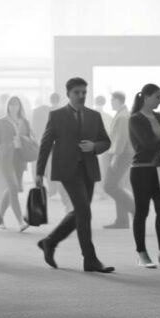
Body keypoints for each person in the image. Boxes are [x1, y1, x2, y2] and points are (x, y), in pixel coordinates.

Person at [35, 77, 113, 273]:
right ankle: (90, 259)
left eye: (84, 93)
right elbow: (45, 146)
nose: (81, 96)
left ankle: (49, 241)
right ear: (68, 93)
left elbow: (106, 141)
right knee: (84, 211)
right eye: (77, 92)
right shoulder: (57, 116)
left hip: (88, 169)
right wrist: (38, 172)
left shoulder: (94, 116)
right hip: (67, 170)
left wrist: (95, 146)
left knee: (80, 211)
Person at [127, 84, 160, 268]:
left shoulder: (158, 116)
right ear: (146, 97)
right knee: (142, 212)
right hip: (141, 170)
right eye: (157, 96)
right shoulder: (135, 119)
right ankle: (141, 253)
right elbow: (147, 144)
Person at [0, 96, 33, 232]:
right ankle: (21, 221)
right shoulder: (0, 122)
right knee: (13, 187)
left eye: (16, 105)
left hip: (20, 158)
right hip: (5, 158)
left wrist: (22, 139)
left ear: (20, 107)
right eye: (11, 104)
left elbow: (31, 138)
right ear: (7, 106)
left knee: (13, 189)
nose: (13, 107)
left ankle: (0, 218)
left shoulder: (24, 122)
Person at [103, 91, 134, 229]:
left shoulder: (123, 116)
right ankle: (122, 221)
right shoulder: (122, 114)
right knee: (117, 186)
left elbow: (121, 139)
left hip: (121, 155)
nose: (111, 103)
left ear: (119, 101)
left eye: (112, 100)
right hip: (121, 154)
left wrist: (115, 157)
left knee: (109, 186)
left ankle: (135, 209)